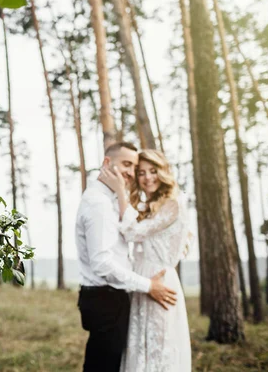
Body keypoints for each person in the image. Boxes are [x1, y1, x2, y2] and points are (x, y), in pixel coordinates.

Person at [76, 142, 177, 372]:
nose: (131, 173)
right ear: (106, 163)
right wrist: (148, 285)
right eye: (127, 164)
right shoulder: (98, 203)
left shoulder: (108, 200)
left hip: (110, 297)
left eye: (134, 167)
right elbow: (102, 263)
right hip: (105, 298)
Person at [99, 149, 192, 372]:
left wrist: (121, 191)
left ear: (164, 172)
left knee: (158, 349)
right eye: (141, 172)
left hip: (158, 280)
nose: (147, 177)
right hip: (143, 281)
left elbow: (132, 232)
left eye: (153, 171)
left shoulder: (173, 203)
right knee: (140, 347)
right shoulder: (153, 205)